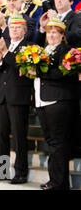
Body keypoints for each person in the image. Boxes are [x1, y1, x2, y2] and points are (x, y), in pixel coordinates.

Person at [0, 13, 34, 184]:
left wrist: (5, 52)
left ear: (24, 30)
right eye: (12, 27)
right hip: (1, 96)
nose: (14, 30)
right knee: (1, 135)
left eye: (17, 27)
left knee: (18, 136)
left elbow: (20, 64)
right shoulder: (3, 45)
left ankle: (21, 172)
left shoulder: (29, 47)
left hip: (18, 97)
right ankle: (2, 171)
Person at [34, 17, 78, 190]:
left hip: (58, 100)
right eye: (49, 32)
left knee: (58, 143)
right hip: (41, 100)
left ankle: (58, 183)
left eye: (55, 32)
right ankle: (57, 181)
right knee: (51, 142)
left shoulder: (66, 50)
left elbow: (63, 73)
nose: (51, 35)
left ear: (62, 35)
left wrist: (38, 72)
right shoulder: (42, 50)